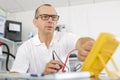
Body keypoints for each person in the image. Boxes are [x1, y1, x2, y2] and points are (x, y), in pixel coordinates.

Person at [10, 4, 95, 75]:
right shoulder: (25, 48)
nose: (50, 20)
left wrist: (87, 45)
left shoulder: (64, 38)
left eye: (54, 17)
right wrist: (43, 76)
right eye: (44, 17)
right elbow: (14, 76)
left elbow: (81, 41)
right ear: (35, 22)